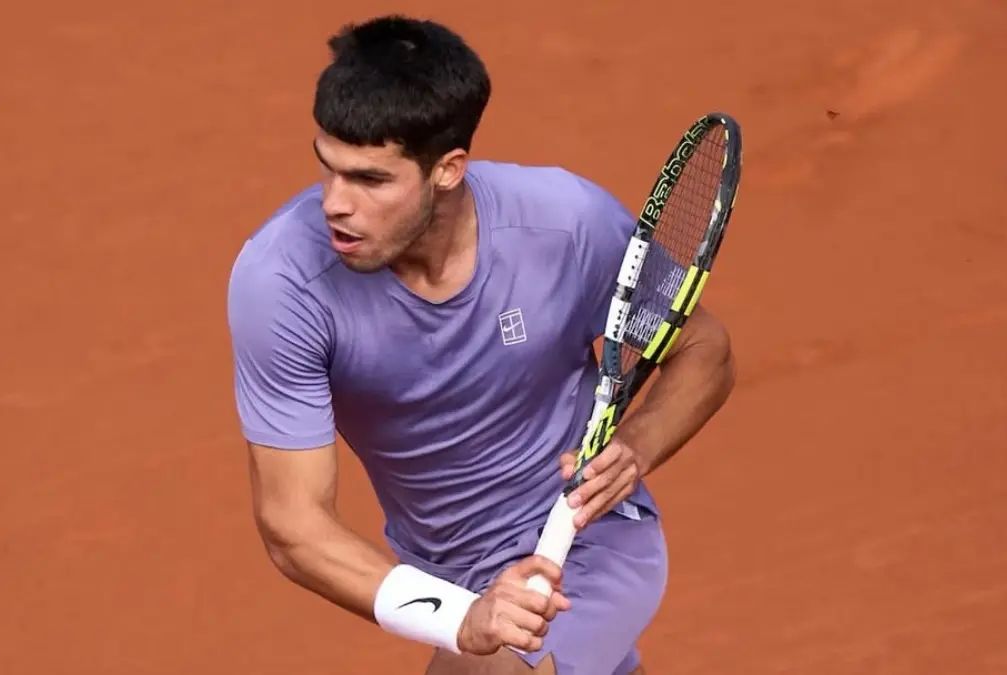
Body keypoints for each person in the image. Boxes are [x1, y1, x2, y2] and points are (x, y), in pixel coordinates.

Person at [225, 14, 736, 675]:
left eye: (371, 180)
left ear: (448, 169)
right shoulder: (284, 282)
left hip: (590, 541)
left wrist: (634, 448)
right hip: (449, 574)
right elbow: (294, 527)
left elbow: (703, 346)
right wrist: (458, 613)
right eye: (329, 169)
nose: (335, 204)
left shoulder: (564, 229)